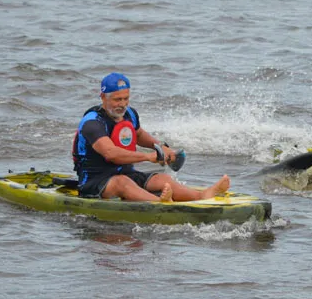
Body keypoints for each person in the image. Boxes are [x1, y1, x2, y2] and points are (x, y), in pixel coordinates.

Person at [72, 72, 230, 202]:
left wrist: (161, 147)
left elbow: (139, 134)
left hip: (126, 174)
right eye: (117, 99)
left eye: (126, 98)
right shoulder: (92, 123)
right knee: (123, 182)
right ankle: (160, 204)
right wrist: (147, 157)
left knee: (162, 179)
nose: (122, 104)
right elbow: (111, 153)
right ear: (103, 97)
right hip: (94, 181)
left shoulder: (130, 114)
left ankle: (202, 196)